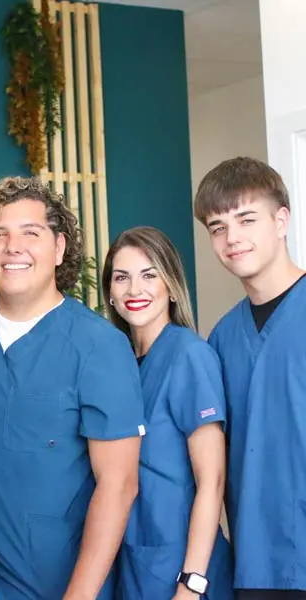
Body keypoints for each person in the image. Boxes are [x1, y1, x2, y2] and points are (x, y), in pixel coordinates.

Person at [0, 176, 146, 600]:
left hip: (59, 583)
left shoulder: (100, 347)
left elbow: (119, 484)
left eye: (31, 233)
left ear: (60, 248)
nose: (13, 247)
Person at [194, 156, 306, 600]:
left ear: (282, 220)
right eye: (218, 227)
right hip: (257, 566)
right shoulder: (221, 338)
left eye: (246, 218)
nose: (232, 238)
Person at [102, 226, 233, 600]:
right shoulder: (117, 363)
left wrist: (191, 582)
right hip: (131, 563)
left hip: (182, 569)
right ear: (110, 293)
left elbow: (213, 480)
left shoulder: (188, 356)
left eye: (149, 275)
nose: (134, 290)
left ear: (171, 285)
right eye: (122, 277)